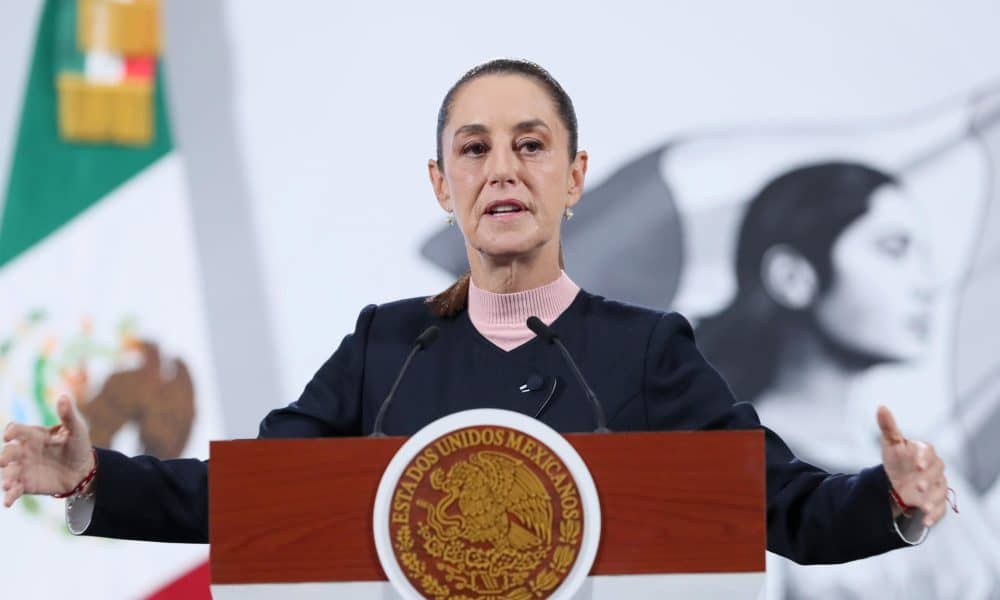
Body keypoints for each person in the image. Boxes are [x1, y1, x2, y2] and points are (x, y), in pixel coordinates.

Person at [2, 60, 950, 564]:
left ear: (574, 178)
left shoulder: (649, 351)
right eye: (475, 147)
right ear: (440, 181)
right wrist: (95, 481)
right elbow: (255, 497)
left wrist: (893, 502)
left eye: (531, 145)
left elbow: (785, 510)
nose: (502, 167)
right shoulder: (385, 345)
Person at [696, 162, 999, 597]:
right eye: (894, 250)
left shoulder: (928, 475)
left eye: (924, 257)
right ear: (793, 276)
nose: (926, 283)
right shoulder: (722, 471)